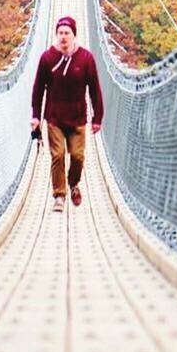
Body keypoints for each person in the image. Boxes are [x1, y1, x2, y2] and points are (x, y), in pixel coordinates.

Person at [31, 16, 103, 212]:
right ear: (56, 34)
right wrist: (36, 116)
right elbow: (38, 89)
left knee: (78, 156)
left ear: (74, 35)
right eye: (60, 33)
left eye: (67, 33)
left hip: (78, 117)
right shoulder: (47, 58)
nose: (63, 37)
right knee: (58, 155)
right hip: (54, 116)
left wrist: (98, 118)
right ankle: (59, 196)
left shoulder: (86, 58)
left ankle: (74, 184)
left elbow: (95, 89)